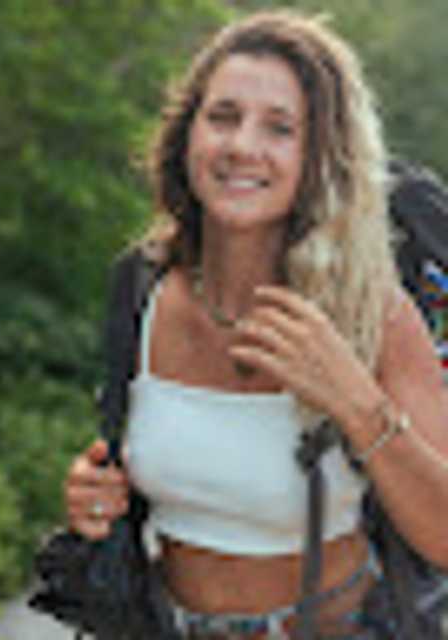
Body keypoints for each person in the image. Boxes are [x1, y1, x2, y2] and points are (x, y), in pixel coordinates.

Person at [64, 9, 448, 639]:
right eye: (222, 116)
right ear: (187, 135)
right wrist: (95, 498)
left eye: (280, 128)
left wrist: (357, 404)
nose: (242, 145)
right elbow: (147, 474)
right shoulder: (143, 289)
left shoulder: (371, 311)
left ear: (321, 156)